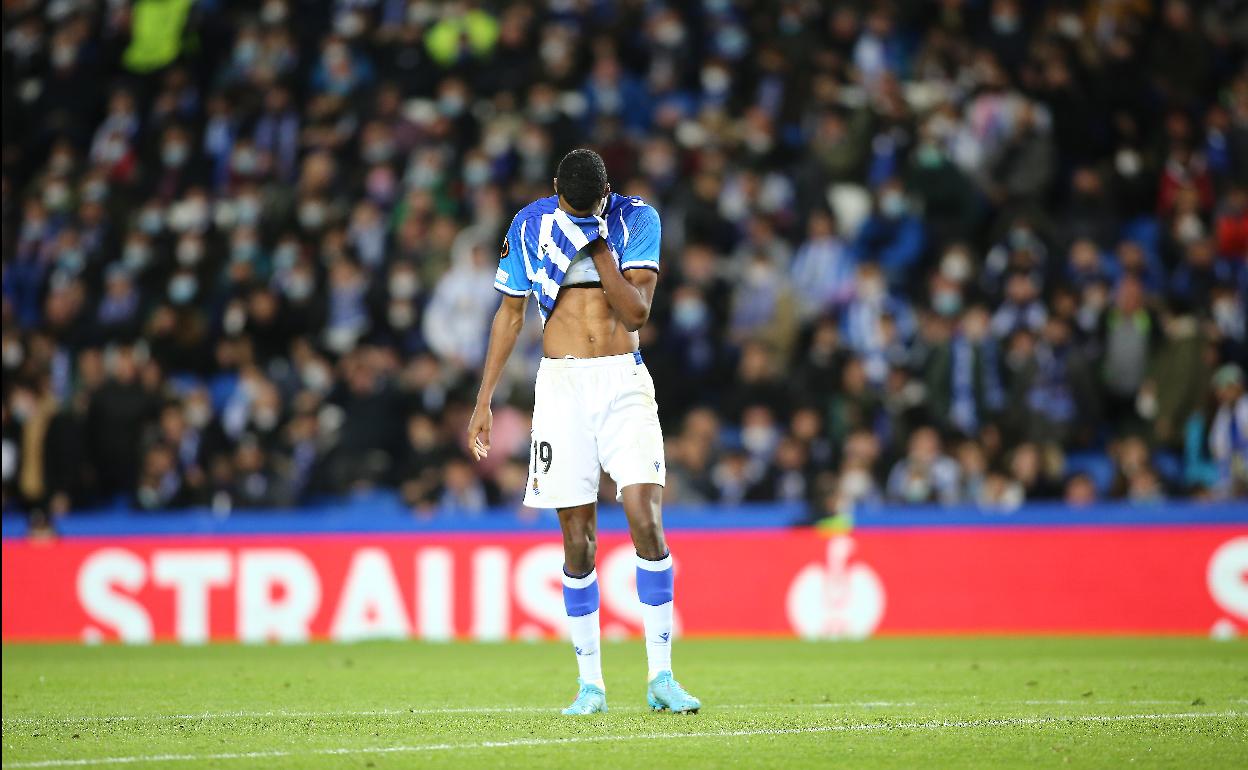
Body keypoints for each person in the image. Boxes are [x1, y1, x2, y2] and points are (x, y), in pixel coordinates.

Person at [466, 149, 700, 716]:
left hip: (623, 381)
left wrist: (593, 242)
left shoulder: (635, 219)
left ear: (605, 193)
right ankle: (590, 685)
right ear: (555, 190)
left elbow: (636, 313)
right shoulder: (530, 226)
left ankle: (662, 676)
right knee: (578, 540)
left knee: (646, 517)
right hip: (562, 388)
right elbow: (510, 315)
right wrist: (484, 399)